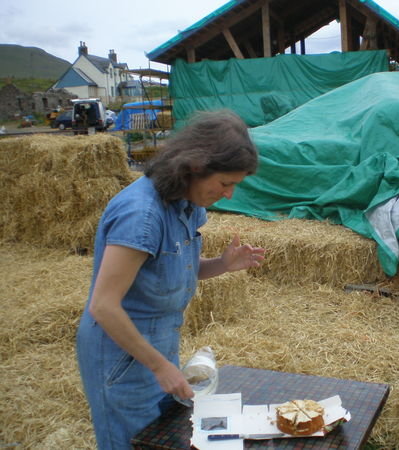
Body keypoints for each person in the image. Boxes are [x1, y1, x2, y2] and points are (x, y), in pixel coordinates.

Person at [76, 109, 265, 449]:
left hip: (156, 349)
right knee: (132, 443)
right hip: (120, 357)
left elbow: (175, 269)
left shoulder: (186, 204)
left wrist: (222, 264)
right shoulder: (141, 215)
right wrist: (160, 367)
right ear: (194, 166)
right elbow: (103, 306)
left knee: (162, 440)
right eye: (225, 183)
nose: (229, 195)